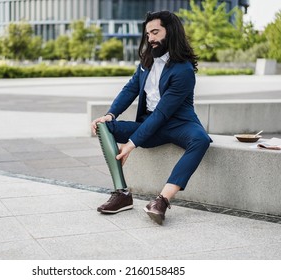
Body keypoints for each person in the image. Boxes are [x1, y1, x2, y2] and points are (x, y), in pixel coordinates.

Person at [91, 11, 212, 225]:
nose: (151, 39)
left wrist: (131, 143)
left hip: (179, 125)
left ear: (171, 32)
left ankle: (162, 200)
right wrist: (110, 115)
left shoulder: (183, 71)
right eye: (148, 34)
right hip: (150, 125)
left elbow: (163, 113)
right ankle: (122, 193)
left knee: (200, 140)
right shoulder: (146, 62)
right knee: (104, 127)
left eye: (155, 32)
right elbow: (130, 90)